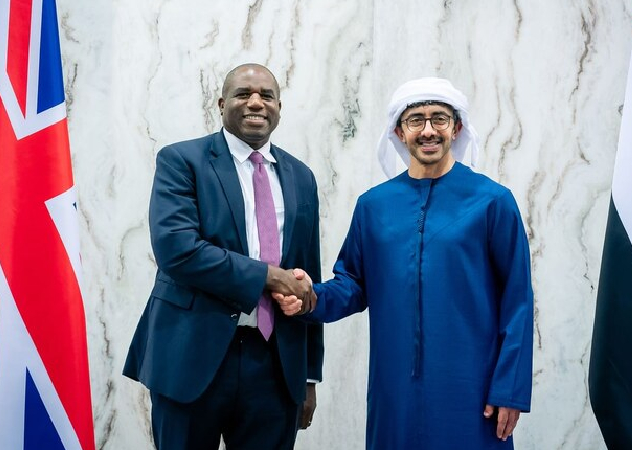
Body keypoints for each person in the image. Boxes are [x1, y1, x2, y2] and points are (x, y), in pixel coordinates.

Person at [276, 77, 533, 449]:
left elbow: (518, 299)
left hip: (472, 389)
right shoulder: (373, 205)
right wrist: (309, 297)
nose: (428, 130)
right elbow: (352, 283)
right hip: (394, 389)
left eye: (439, 118)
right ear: (399, 131)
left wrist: (509, 389)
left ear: (456, 128)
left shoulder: (493, 201)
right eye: (416, 120)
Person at [123, 63, 323, 450]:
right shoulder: (182, 160)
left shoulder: (302, 176)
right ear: (221, 103)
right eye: (243, 94)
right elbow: (177, 250)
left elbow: (305, 278)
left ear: (279, 107)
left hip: (275, 366)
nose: (256, 103)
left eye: (266, 96)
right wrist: (269, 276)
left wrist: (308, 376)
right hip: (190, 356)